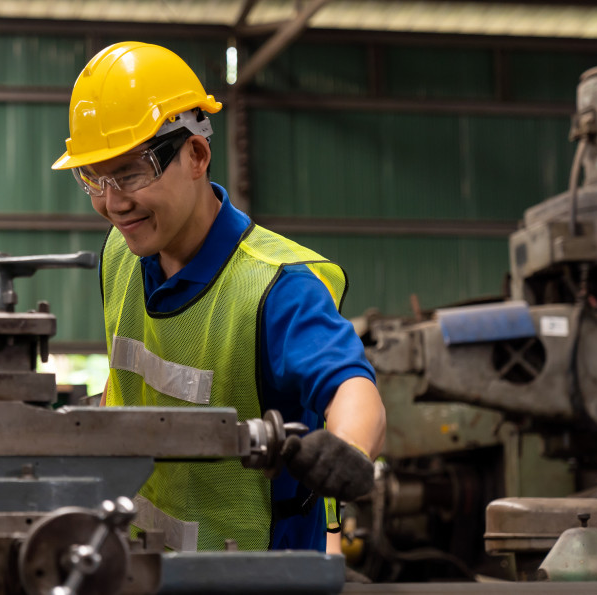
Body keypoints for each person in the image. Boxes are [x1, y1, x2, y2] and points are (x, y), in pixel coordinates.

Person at [51, 42, 386, 553]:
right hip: (143, 565)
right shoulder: (120, 253)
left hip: (257, 575)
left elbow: (352, 389)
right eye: (93, 178)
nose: (112, 203)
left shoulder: (276, 286)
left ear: (196, 154)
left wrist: (348, 449)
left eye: (130, 174)